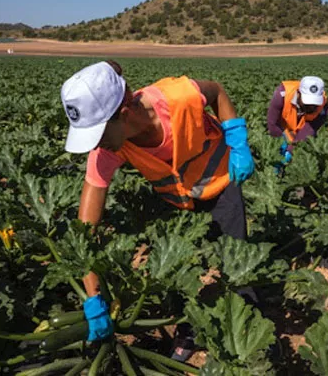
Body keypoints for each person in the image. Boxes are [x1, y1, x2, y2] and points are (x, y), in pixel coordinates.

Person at [60, 60, 255, 360]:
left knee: (238, 262)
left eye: (97, 134)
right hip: (177, 200)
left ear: (124, 115)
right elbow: (86, 229)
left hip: (221, 183)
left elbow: (216, 91)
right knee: (174, 271)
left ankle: (251, 328)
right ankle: (187, 327)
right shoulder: (107, 150)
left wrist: (238, 139)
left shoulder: (179, 98)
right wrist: (92, 297)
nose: (94, 145)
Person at [266, 76, 328, 171]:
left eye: (314, 104)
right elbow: (272, 123)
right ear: (298, 93)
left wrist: (291, 150)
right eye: (307, 102)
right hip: (283, 128)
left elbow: (308, 130)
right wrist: (278, 143)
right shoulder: (282, 94)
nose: (311, 106)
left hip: (301, 131)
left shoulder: (324, 106)